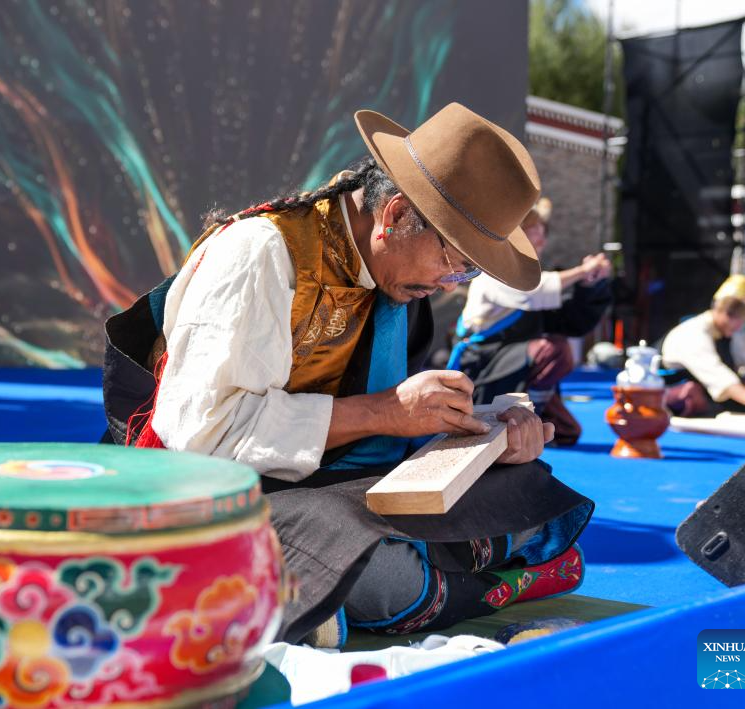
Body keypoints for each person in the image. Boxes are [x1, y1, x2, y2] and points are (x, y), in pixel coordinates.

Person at [102, 104, 592, 646]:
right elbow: (201, 439)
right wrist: (385, 413)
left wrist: (483, 438)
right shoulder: (261, 254)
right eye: (456, 261)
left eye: (467, 271)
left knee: (528, 488)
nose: (450, 283)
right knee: (380, 572)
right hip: (224, 490)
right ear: (395, 215)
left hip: (336, 486)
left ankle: (325, 593)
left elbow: (385, 436)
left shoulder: (392, 273)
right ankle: (489, 582)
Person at [449, 197, 613, 445]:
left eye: (541, 237)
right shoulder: (491, 274)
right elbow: (531, 292)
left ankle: (534, 410)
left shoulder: (536, 281)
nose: (540, 243)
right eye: (533, 236)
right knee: (552, 350)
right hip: (485, 366)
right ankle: (531, 414)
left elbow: (572, 322)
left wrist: (591, 285)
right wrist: (582, 271)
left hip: (517, 367)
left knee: (567, 431)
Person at [661, 275, 745, 421]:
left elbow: (744, 363)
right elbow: (719, 377)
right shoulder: (693, 333)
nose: (740, 326)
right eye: (738, 318)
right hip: (676, 408)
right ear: (724, 311)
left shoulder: (725, 333)